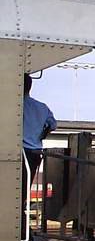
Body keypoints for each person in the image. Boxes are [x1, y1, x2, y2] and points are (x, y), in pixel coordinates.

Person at [21, 74, 56, 232]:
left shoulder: (15, 104)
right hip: (35, 152)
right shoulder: (42, 107)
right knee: (22, 192)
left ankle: (21, 229)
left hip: (21, 152)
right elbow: (53, 124)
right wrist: (42, 133)